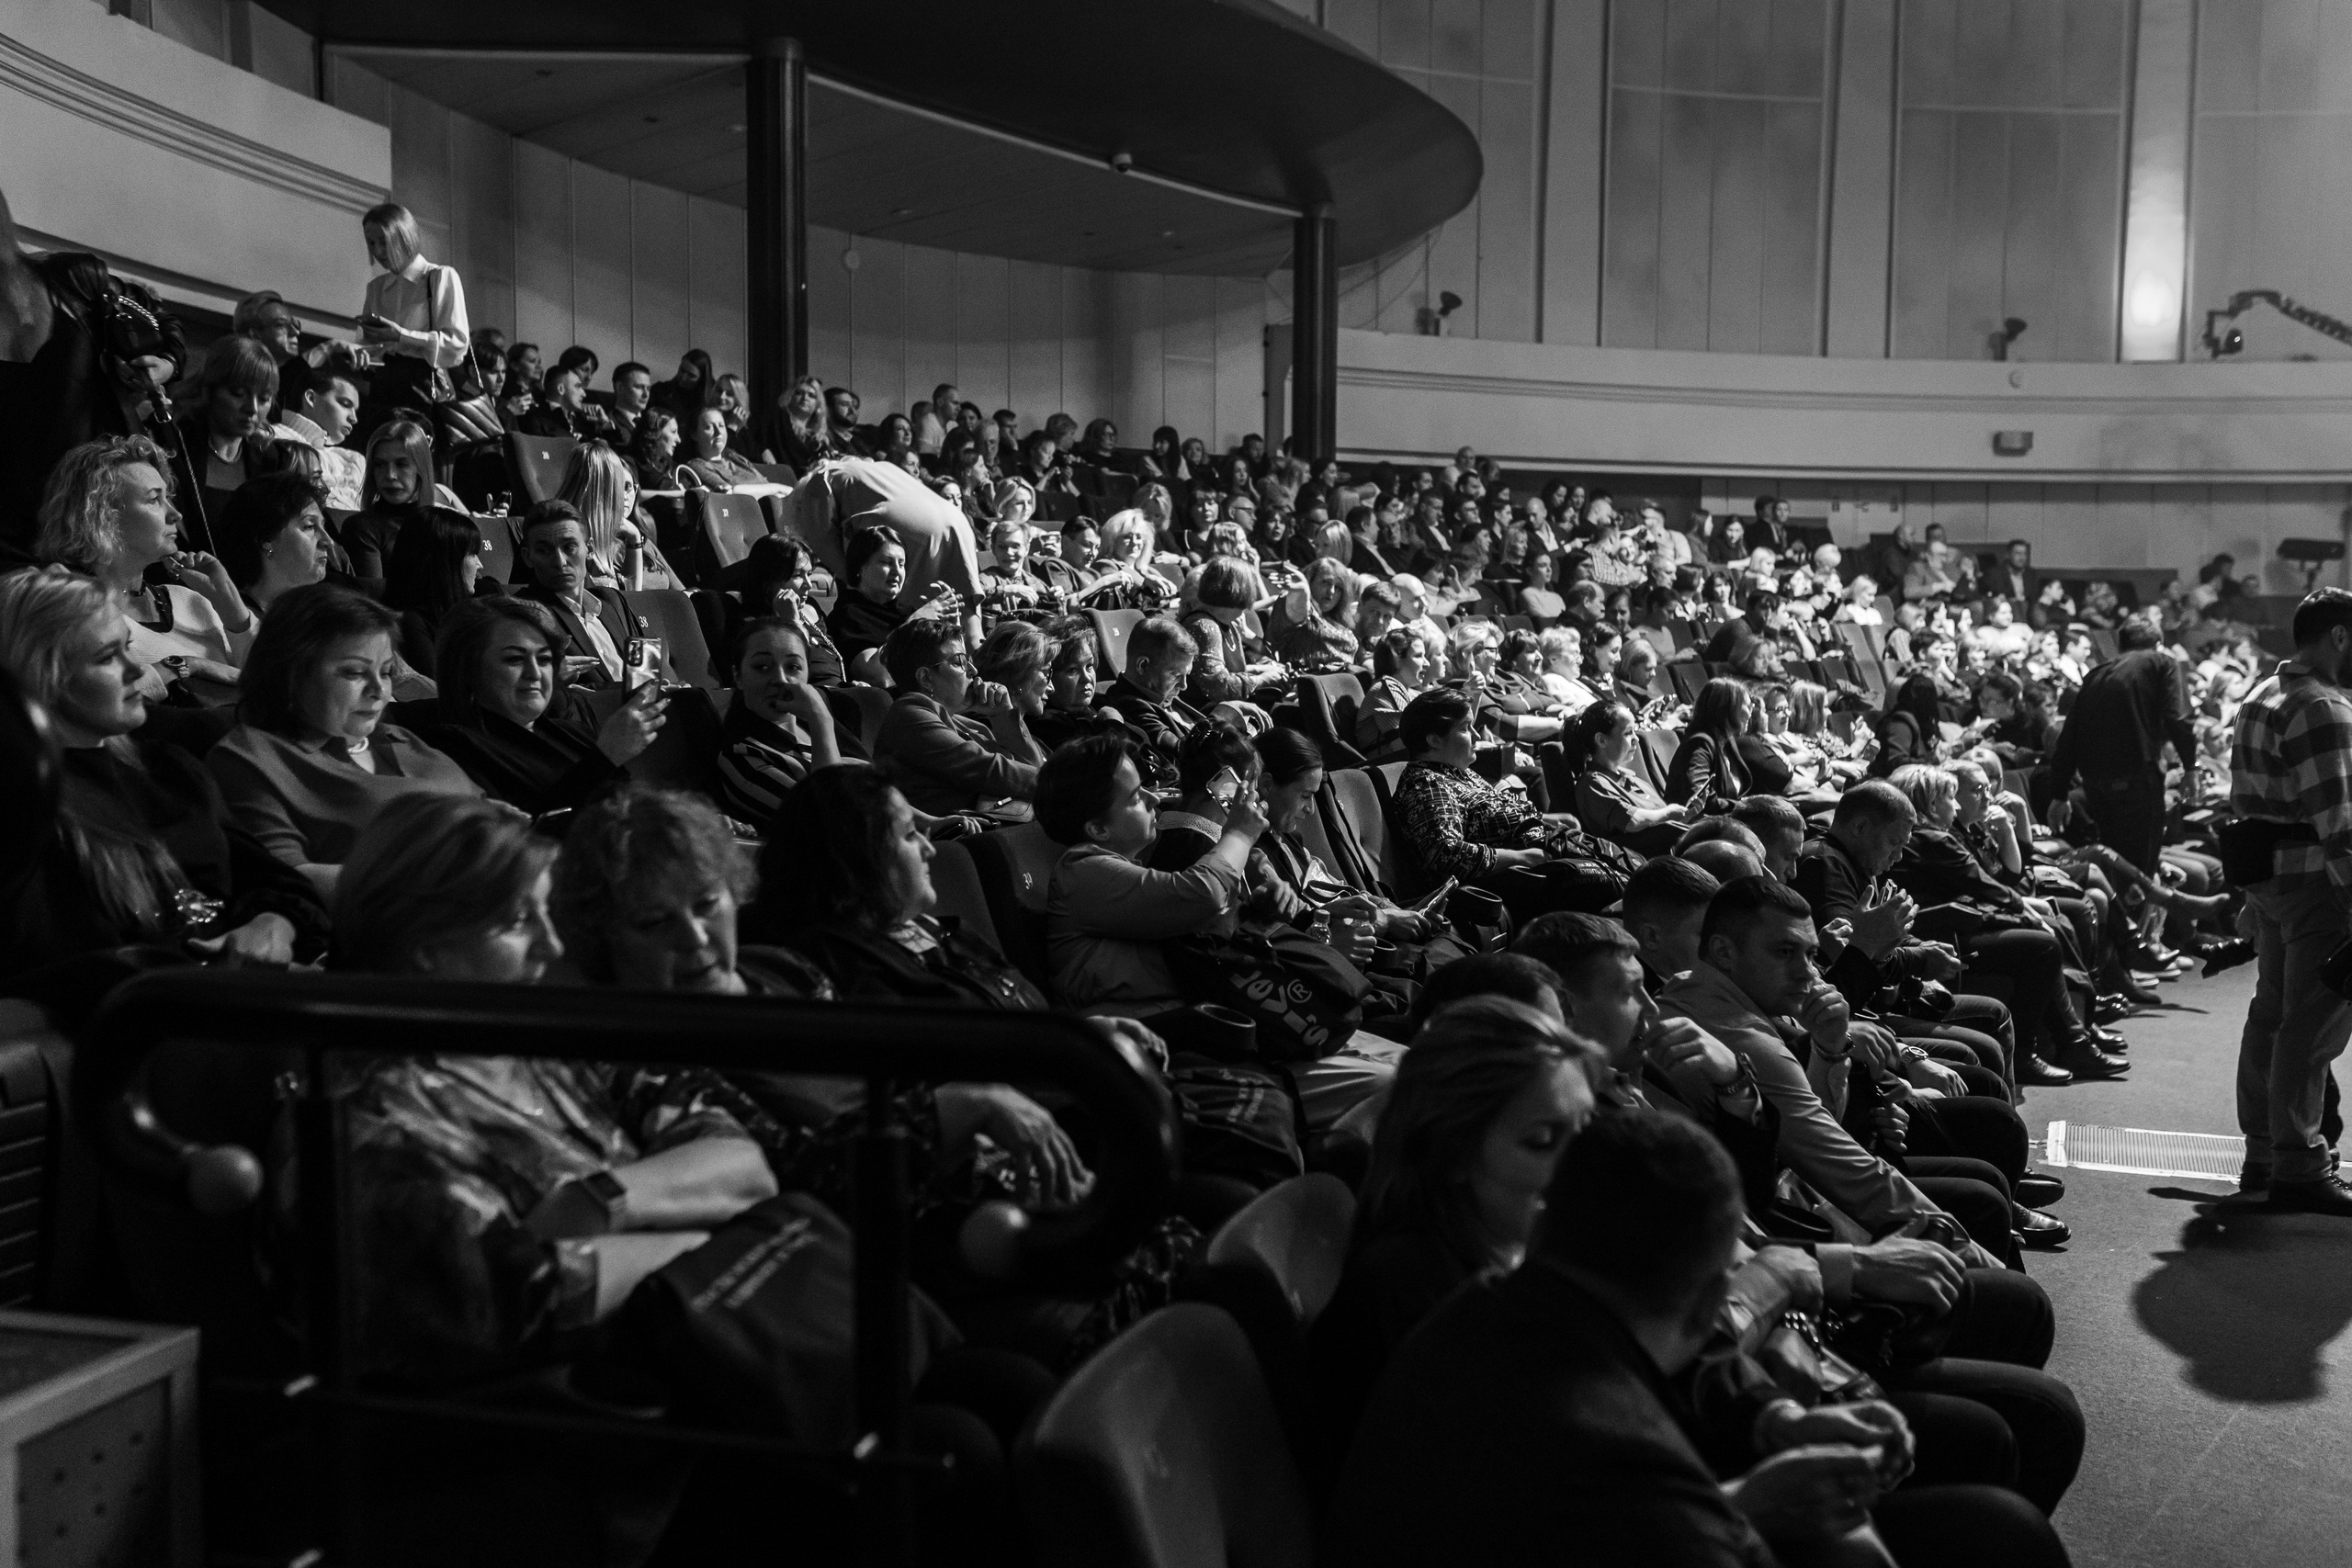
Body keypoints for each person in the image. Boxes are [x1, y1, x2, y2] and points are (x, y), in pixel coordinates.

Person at [1329, 1107, 2071, 1568]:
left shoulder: (1503, 1301)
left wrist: (1779, 1425)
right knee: (2004, 1532)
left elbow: (1699, 1366)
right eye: (1545, 1134)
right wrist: (1785, 1516)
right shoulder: (1626, 1466)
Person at [1035, 732, 1397, 1132]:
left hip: (1218, 1026)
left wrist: (1258, 892)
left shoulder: (1126, 866)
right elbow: (1199, 895)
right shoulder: (1082, 871)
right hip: (1175, 1043)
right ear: (1098, 828)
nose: (1157, 799)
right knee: (1394, 1086)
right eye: (1137, 797)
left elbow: (1208, 926)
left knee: (1406, 1066)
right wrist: (1240, 835)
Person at [0, 566, 327, 975]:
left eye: (127, 648)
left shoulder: (169, 768)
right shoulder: (28, 815)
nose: (137, 670)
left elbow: (280, 884)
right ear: (42, 677)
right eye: (107, 658)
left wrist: (274, 926)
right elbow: (74, 972)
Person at [1314, 998, 1603, 1440]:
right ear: (1452, 1153)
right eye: (1542, 1141)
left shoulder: (1527, 1253)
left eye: (1585, 1129)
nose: (1584, 1165)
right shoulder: (1410, 1290)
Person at [206, 583, 480, 880]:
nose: (379, 691)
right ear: (291, 673)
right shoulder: (251, 757)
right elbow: (290, 880)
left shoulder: (399, 737)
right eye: (355, 672)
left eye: (386, 672)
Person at [2227, 589, 2352, 1211]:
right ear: (2337, 636)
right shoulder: (2322, 705)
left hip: (2269, 880)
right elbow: (2340, 823)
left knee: (2272, 1012)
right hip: (2315, 884)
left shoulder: (2259, 693)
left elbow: (2242, 803)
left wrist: (2250, 894)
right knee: (2313, 1021)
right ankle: (2299, 1161)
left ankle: (2263, 1150)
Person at [35, 434, 254, 702]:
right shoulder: (76, 609)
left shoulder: (191, 601)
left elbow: (273, 690)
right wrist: (185, 665)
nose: (175, 514)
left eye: (169, 498)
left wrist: (234, 611)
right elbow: (81, 702)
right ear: (103, 516)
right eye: (154, 500)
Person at [415, 596, 665, 817]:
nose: (535, 673)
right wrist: (605, 757)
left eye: (544, 659)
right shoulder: (451, 747)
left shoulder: (573, 732)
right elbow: (524, 836)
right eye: (514, 659)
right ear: (468, 670)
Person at [1390, 688, 1622, 922]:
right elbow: (1445, 853)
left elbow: (1497, 814)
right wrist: (1517, 857)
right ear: (1434, 740)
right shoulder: (1428, 783)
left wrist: (1544, 818)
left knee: (1635, 867)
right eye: (1465, 728)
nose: (1477, 736)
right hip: (1525, 878)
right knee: (1634, 891)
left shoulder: (1459, 773)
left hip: (1554, 848)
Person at [2046, 619, 2196, 876]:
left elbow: (2069, 736)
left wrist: (2059, 794)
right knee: (2141, 866)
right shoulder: (2162, 662)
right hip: (2137, 778)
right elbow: (2177, 719)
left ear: (2120, 645)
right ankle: (2140, 913)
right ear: (2158, 645)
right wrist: (2190, 767)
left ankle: (2122, 914)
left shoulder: (2095, 674)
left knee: (2117, 864)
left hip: (2097, 786)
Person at [873, 616, 1044, 818]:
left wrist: (1004, 716)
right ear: (926, 678)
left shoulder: (965, 724)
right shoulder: (910, 715)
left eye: (968, 660)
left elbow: (1032, 767)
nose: (973, 670)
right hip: (950, 841)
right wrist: (1063, 783)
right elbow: (990, 771)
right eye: (959, 662)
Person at [712, 618, 844, 826]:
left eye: (793, 667)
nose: (781, 679)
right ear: (738, 676)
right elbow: (828, 820)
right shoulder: (742, 757)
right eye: (762, 667)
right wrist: (821, 720)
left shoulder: (816, 727)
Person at [356, 202, 469, 436]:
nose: (377, 251)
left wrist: (401, 336)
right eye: (371, 243)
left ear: (403, 237)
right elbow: (370, 345)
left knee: (419, 454)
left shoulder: (440, 276)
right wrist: (364, 353)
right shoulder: (376, 288)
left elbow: (457, 343)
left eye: (383, 241)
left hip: (424, 384)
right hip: (383, 382)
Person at [169, 335, 280, 551]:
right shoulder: (177, 445)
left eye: (265, 398)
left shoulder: (270, 459)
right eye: (238, 393)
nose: (253, 408)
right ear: (209, 389)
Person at [515, 501, 634, 689]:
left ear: (590, 550)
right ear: (528, 557)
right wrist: (550, 679)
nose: (559, 561)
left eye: (569, 547)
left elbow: (641, 674)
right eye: (543, 551)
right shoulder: (525, 614)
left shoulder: (612, 602)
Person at [1092, 615, 1210, 788]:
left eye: (1187, 675)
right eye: (1176, 675)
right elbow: (1185, 753)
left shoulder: (1164, 692)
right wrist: (1227, 713)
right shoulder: (1129, 704)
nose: (1184, 686)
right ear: (1143, 666)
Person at [825, 525, 961, 672]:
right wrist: (915, 625)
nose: (897, 571)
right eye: (886, 562)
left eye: (901, 564)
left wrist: (952, 633)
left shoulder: (905, 613)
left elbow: (956, 672)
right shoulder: (847, 617)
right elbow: (877, 675)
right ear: (860, 567)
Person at [342, 418, 454, 596]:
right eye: (380, 465)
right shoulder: (362, 527)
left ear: (421, 468)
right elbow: (375, 600)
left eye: (401, 464)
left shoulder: (442, 525)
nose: (390, 475)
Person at [1566, 699, 1690, 854]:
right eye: (1627, 733)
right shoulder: (1593, 782)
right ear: (1601, 740)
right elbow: (1632, 821)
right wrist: (1668, 813)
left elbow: (1660, 823)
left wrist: (1684, 816)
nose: (1636, 739)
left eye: (1634, 731)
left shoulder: (1632, 778)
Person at [555, 439, 677, 592]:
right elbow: (630, 601)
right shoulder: (569, 540)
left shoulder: (629, 535)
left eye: (628, 487)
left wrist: (634, 539)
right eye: (618, 486)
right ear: (596, 489)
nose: (622, 495)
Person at [380, 505, 485, 678]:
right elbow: (442, 691)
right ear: (445, 563)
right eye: (473, 554)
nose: (479, 564)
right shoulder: (410, 623)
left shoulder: (467, 615)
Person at [216, 468, 334, 618]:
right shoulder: (227, 620)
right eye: (309, 526)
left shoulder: (318, 615)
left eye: (322, 526)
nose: (328, 541)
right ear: (266, 539)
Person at [1667, 677, 1754, 815]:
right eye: (1747, 706)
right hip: (1702, 829)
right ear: (1726, 708)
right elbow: (1698, 799)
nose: (1750, 714)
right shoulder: (1699, 744)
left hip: (1727, 822)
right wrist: (1744, 806)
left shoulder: (1727, 742)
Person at [677, 404, 765, 491]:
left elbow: (765, 483)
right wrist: (776, 488)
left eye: (721, 426)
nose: (718, 432)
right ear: (694, 434)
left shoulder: (736, 458)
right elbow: (731, 492)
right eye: (709, 427)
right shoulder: (697, 465)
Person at [756, 373, 831, 472]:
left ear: (818, 404)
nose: (805, 398)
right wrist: (763, 450)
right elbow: (754, 439)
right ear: (790, 396)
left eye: (811, 395)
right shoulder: (776, 418)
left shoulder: (818, 437)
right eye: (799, 393)